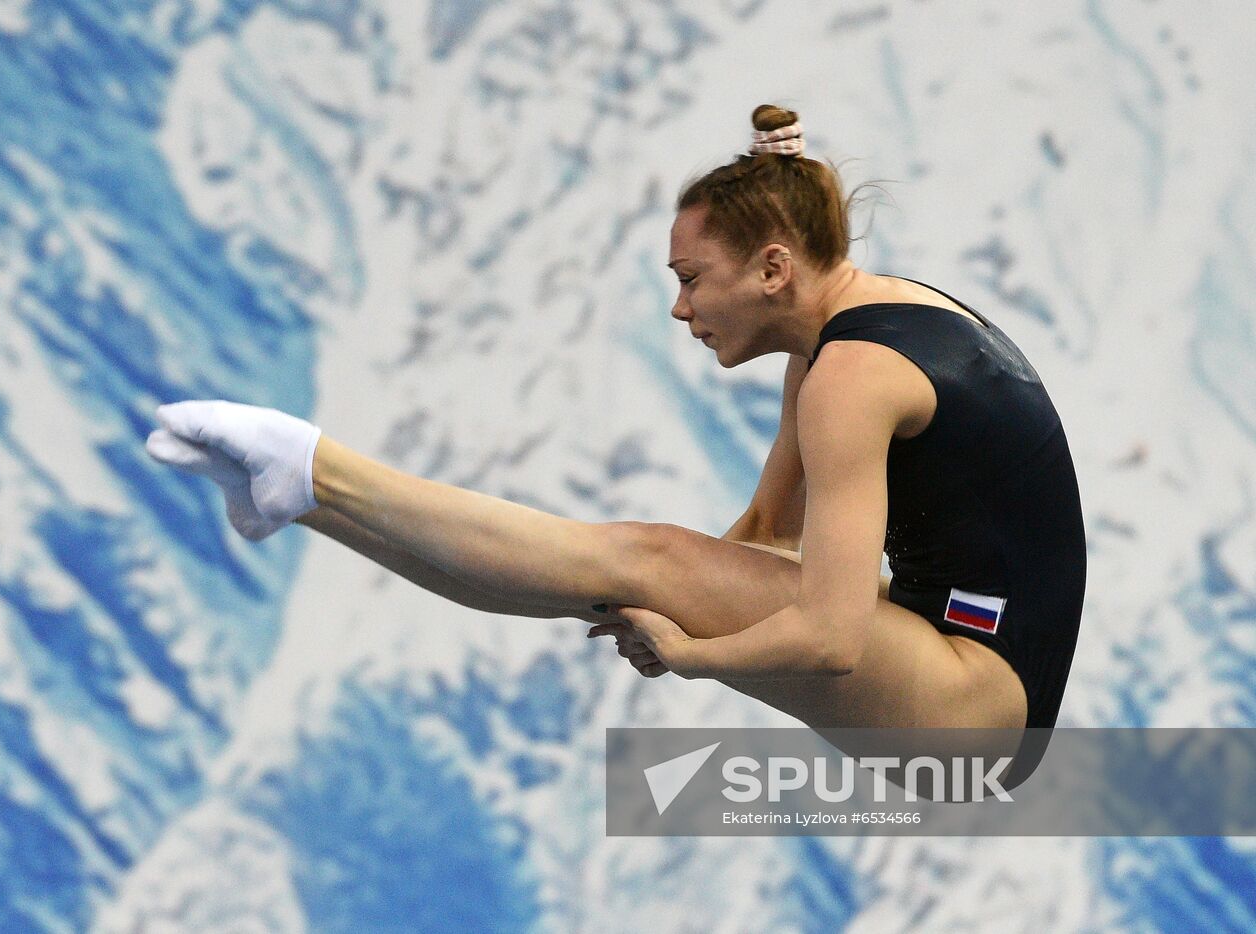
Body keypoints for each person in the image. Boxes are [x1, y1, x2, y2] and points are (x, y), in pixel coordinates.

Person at [145, 105, 1086, 781]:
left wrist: (691, 653)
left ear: (772, 268)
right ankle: (306, 498)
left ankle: (315, 466)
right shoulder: (849, 330)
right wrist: (655, 596)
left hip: (978, 717)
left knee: (644, 557)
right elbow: (768, 533)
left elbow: (832, 638)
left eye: (690, 279)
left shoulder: (853, 374)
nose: (680, 308)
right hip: (963, 660)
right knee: (627, 571)